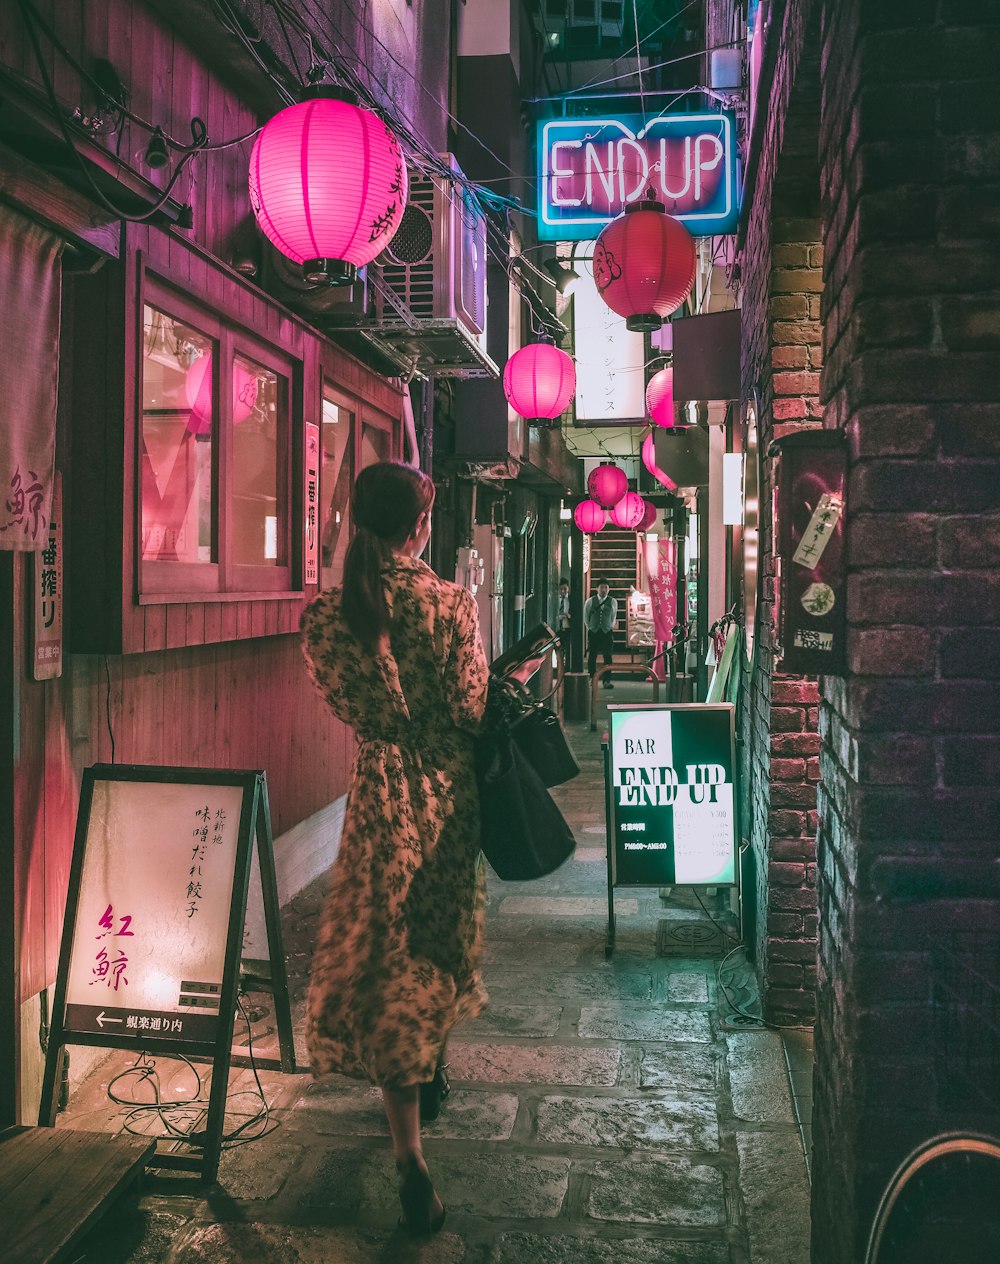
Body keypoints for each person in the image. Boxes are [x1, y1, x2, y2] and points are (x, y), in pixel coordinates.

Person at [300, 461, 489, 1237]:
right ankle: (413, 1148)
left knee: (385, 956)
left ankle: (410, 1120)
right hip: (444, 795)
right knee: (431, 950)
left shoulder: (326, 614)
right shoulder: (448, 605)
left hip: (378, 792)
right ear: (418, 527)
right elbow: (472, 706)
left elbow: (340, 696)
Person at [585, 577, 618, 688]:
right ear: (597, 588)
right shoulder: (590, 601)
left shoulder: (613, 601)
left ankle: (606, 680)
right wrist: (590, 627)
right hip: (594, 631)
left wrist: (609, 626)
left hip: (607, 632)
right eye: (601, 587)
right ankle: (592, 678)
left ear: (608, 589)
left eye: (606, 587)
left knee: (608, 656)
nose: (603, 589)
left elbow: (613, 616)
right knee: (592, 656)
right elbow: (586, 617)